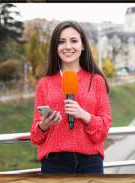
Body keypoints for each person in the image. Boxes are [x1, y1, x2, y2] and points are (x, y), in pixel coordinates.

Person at [30, 21, 112, 174]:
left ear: (83, 46)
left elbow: (104, 128)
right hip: (54, 164)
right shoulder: (44, 83)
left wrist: (84, 115)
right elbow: (35, 137)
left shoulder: (97, 81)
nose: (68, 46)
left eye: (74, 41)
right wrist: (44, 125)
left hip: (90, 163)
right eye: (61, 42)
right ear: (56, 47)